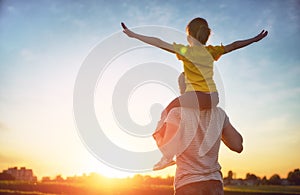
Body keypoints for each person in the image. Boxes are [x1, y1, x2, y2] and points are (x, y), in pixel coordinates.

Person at [122, 18, 268, 115]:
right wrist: (254, 39)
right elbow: (235, 45)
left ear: (189, 37)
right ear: (205, 36)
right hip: (214, 98)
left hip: (197, 97)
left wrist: (135, 35)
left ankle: (167, 154)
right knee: (183, 80)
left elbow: (159, 42)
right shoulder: (212, 51)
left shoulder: (186, 51)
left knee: (166, 113)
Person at [154, 72, 243, 195]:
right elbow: (238, 145)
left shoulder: (176, 113)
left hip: (188, 184)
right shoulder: (219, 113)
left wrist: (159, 126)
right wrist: (216, 129)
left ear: (183, 90)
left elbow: (168, 151)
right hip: (215, 185)